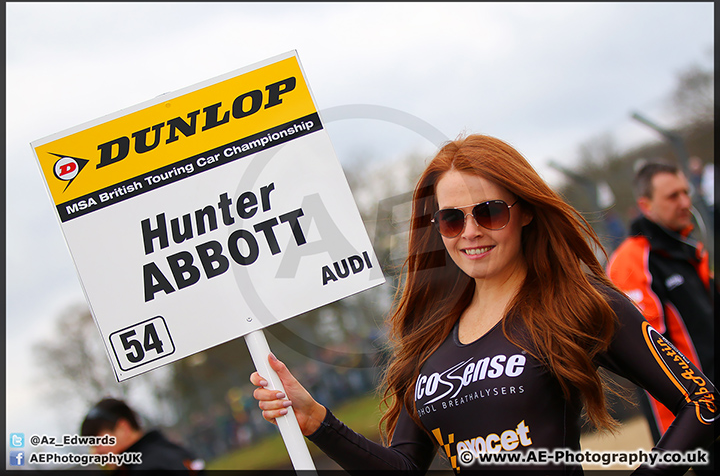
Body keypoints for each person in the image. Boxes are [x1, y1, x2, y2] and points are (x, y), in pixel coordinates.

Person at [251, 135, 717, 474]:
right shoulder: (426, 338)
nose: (470, 231)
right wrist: (317, 421)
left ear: (526, 211)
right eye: (452, 219)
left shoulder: (577, 303)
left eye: (489, 212)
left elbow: (704, 404)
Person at [607, 161, 716, 441]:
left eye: (685, 192)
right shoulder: (632, 261)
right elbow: (647, 355)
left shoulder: (690, 249)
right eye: (672, 196)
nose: (684, 202)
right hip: (695, 418)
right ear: (646, 205)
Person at [80, 397, 205, 473]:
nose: (96, 452)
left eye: (97, 440)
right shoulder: (169, 452)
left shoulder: (150, 468)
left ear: (123, 428)